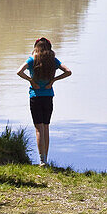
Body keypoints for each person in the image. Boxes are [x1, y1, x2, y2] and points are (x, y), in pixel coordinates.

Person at [16, 36, 71, 166]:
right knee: (46, 127)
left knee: (38, 129)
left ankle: (42, 160)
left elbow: (19, 72)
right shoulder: (54, 61)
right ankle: (45, 159)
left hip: (35, 96)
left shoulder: (32, 60)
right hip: (48, 96)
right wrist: (53, 80)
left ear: (36, 48)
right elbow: (68, 71)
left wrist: (31, 81)